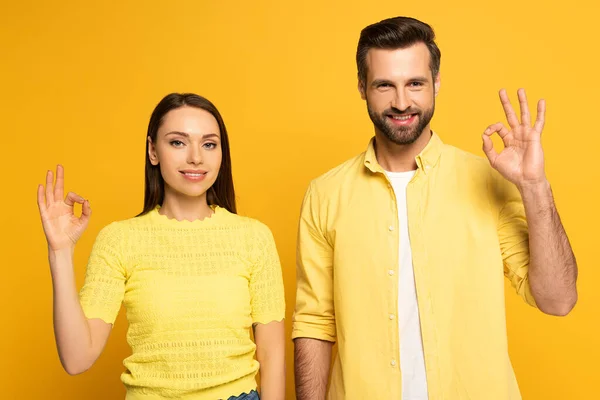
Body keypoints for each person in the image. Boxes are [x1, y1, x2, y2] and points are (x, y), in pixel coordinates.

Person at [292, 16, 577, 400]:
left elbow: (558, 299)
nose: (401, 102)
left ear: (437, 83)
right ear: (362, 87)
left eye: (415, 83)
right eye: (384, 85)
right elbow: (314, 323)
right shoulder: (325, 194)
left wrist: (534, 186)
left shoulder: (488, 180)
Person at [37, 93, 286, 400]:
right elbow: (77, 358)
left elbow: (272, 354)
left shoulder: (254, 238)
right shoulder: (119, 240)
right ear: (153, 151)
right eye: (178, 142)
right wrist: (60, 252)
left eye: (209, 144)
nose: (196, 157)